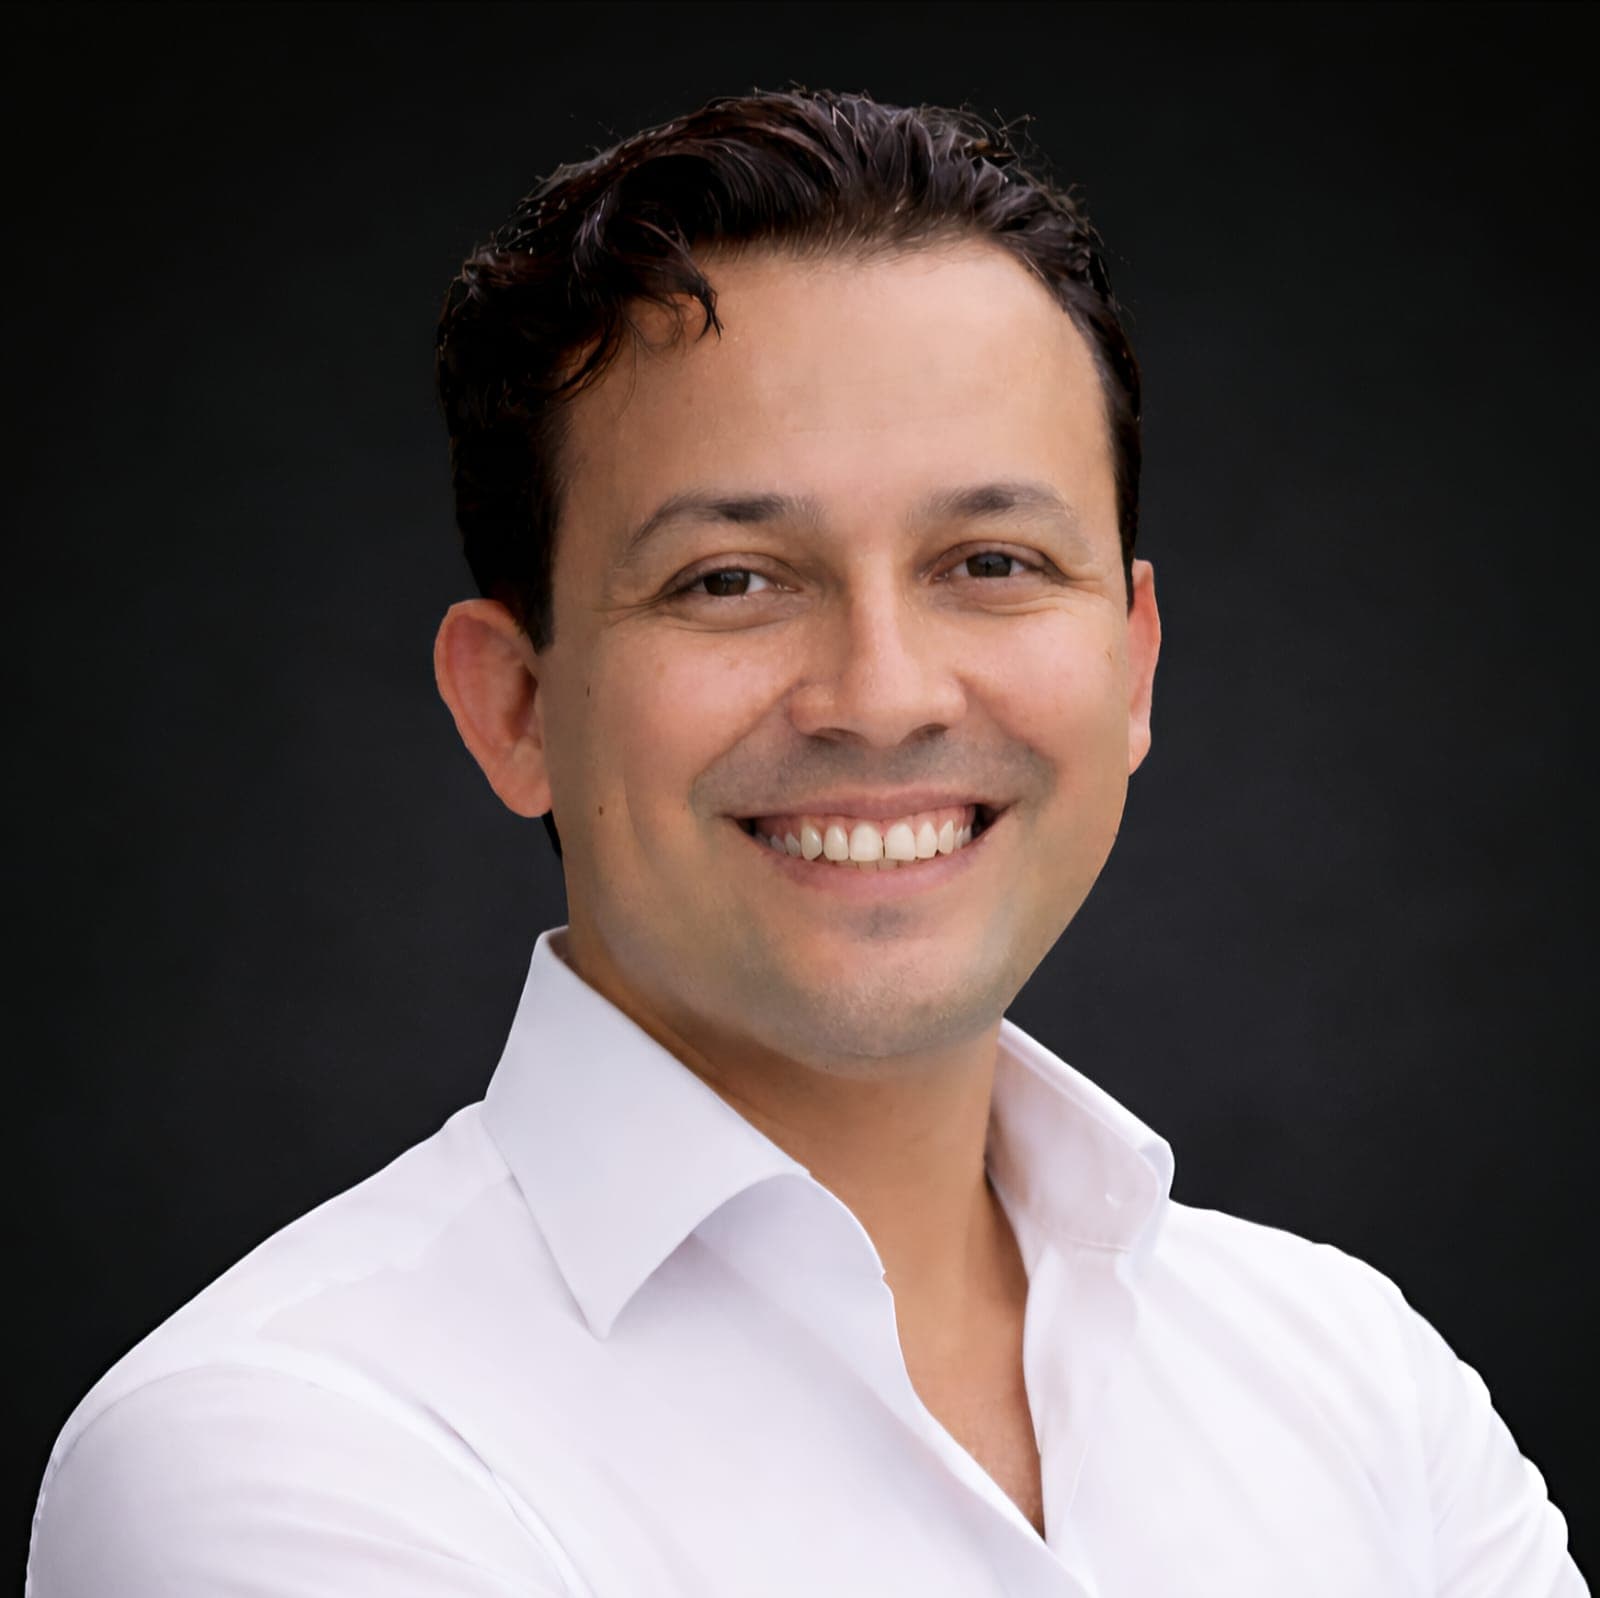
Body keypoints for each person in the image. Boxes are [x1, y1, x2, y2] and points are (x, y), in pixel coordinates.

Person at [27, 87, 1585, 1597]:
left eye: (991, 558)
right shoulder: (274, 1449)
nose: (884, 696)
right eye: (730, 579)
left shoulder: (1362, 1382)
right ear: (511, 707)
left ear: (1135, 663)